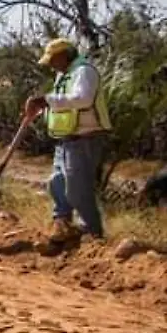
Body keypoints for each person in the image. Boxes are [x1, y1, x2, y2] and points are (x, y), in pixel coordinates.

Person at [24, 38, 113, 243]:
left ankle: (92, 234)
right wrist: (41, 109)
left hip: (85, 138)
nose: (51, 65)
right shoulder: (63, 76)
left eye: (53, 60)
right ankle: (62, 226)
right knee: (56, 182)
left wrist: (46, 100)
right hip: (65, 139)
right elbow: (59, 102)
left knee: (77, 189)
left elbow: (83, 99)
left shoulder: (84, 71)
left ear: (65, 55)